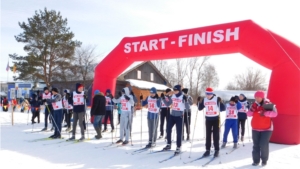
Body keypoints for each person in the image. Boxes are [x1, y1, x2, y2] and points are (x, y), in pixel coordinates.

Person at [247, 90, 277, 167]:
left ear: (262, 97)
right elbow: (248, 114)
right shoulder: (254, 105)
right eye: (256, 97)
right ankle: (256, 161)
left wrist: (265, 113)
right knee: (256, 145)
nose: (257, 98)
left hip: (266, 129)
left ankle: (264, 160)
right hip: (255, 128)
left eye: (259, 97)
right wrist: (252, 110)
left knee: (263, 144)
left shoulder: (269, 105)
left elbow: (275, 114)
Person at [197, 87, 225, 157]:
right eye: (207, 94)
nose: (208, 95)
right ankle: (207, 150)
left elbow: (223, 108)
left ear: (212, 94)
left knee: (216, 135)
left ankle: (216, 150)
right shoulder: (205, 99)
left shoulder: (216, 99)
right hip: (208, 119)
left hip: (216, 119)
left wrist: (221, 102)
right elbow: (200, 108)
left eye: (210, 94)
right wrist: (199, 102)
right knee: (208, 135)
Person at [162, 85, 186, 155]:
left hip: (179, 116)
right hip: (172, 115)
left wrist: (187, 100)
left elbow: (187, 106)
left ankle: (178, 146)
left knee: (179, 132)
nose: (175, 92)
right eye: (174, 90)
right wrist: (164, 98)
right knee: (168, 129)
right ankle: (169, 144)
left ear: (179, 90)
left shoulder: (182, 96)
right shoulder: (173, 96)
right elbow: (168, 104)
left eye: (176, 90)